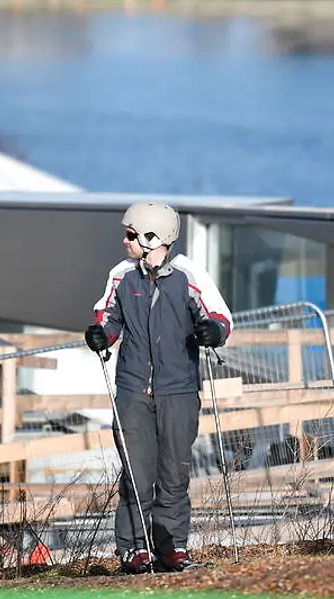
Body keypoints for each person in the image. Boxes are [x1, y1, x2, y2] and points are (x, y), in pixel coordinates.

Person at [86, 202, 232, 574]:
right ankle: (134, 549)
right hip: (134, 389)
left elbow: (219, 317)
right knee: (137, 472)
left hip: (178, 390)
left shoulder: (187, 275)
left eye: (131, 235)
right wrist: (101, 335)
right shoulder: (122, 275)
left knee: (174, 472)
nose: (125, 241)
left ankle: (172, 547)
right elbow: (109, 319)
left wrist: (212, 331)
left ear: (154, 238)